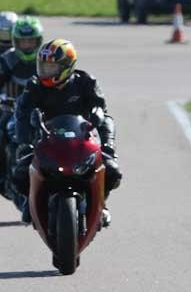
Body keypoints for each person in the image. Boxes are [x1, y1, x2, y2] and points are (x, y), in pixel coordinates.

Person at [10, 39, 122, 225]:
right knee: (20, 174)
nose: (45, 71)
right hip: (46, 142)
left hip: (82, 142)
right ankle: (30, 202)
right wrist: (24, 143)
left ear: (66, 66)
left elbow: (102, 112)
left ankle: (101, 204)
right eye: (43, 66)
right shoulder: (34, 86)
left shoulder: (86, 82)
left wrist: (107, 146)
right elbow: (21, 114)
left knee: (112, 171)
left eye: (51, 67)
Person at [0, 15, 44, 197]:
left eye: (31, 41)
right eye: (23, 41)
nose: (27, 45)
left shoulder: (47, 59)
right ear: (15, 41)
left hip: (43, 110)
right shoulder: (5, 60)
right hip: (11, 110)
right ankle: (1, 173)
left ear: (38, 41)